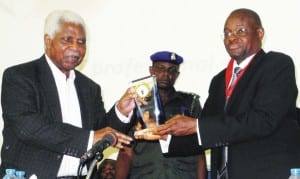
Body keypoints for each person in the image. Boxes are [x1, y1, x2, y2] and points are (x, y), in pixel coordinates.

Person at [155, 8, 300, 179]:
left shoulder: (276, 64)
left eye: (241, 30)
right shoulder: (219, 80)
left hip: (268, 172)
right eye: (227, 33)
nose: (231, 37)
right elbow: (206, 130)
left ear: (259, 33)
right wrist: (163, 136)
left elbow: (262, 120)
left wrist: (196, 125)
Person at [0, 10, 135, 179]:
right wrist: (88, 138)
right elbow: (28, 127)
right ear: (48, 41)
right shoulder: (19, 76)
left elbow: (100, 132)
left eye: (81, 42)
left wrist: (120, 112)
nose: (76, 48)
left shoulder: (90, 88)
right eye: (67, 40)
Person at [114, 51, 207, 179]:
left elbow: (199, 153)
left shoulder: (190, 103)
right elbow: (126, 152)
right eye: (160, 69)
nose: (165, 74)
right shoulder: (137, 102)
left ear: (177, 75)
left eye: (172, 70)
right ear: (151, 71)